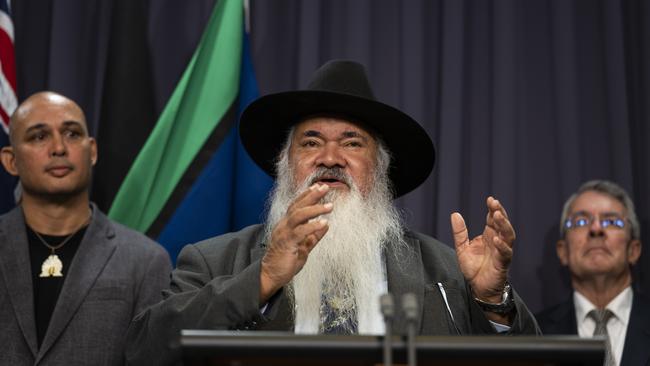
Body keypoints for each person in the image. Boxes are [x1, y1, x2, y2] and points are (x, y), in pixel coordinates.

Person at [125, 60, 539, 365]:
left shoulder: (445, 272)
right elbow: (146, 349)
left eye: (353, 143)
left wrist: (490, 301)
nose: (330, 158)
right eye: (310, 143)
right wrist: (264, 277)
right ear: (285, 165)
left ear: (379, 170)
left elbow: (533, 360)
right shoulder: (214, 260)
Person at [0, 91, 172, 365]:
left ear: (91, 151)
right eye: (39, 136)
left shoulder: (146, 261)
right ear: (10, 160)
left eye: (71, 134)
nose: (58, 148)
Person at [535, 180, 649, 366]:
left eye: (612, 221)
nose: (596, 229)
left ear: (633, 250)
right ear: (563, 251)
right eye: (581, 221)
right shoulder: (535, 334)